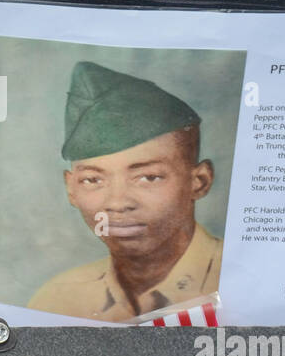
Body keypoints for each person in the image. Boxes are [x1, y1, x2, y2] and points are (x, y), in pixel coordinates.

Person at [27, 61, 223, 322]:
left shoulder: (244, 282)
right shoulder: (55, 302)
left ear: (199, 181)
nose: (117, 203)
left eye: (148, 177)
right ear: (71, 189)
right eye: (93, 180)